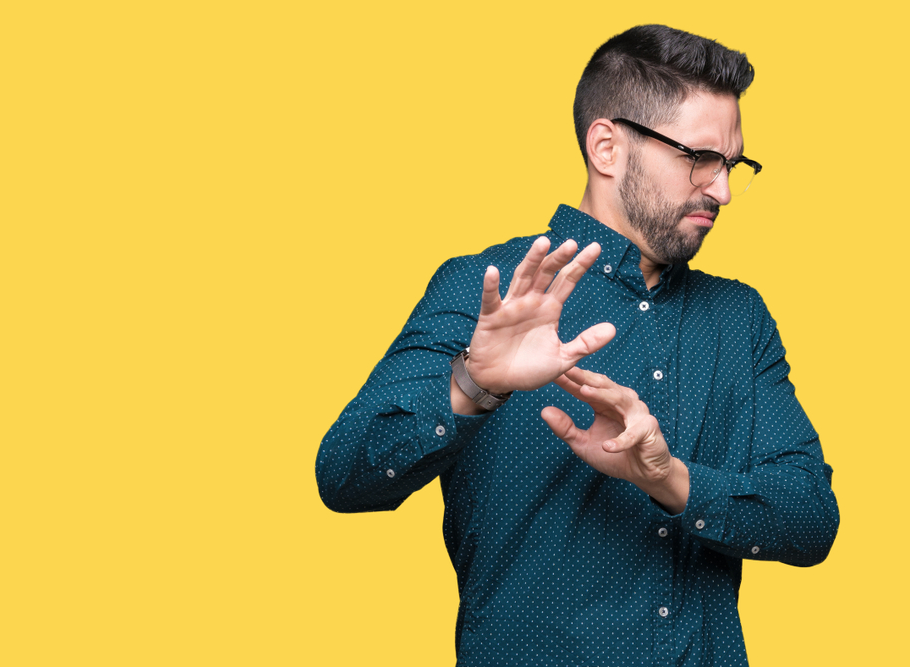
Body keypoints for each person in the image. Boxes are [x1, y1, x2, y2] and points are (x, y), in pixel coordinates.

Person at [315, 24, 838, 667]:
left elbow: (811, 518)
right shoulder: (487, 290)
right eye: (698, 158)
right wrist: (473, 386)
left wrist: (671, 480)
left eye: (731, 165)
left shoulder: (739, 317)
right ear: (607, 147)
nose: (722, 190)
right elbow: (344, 475)